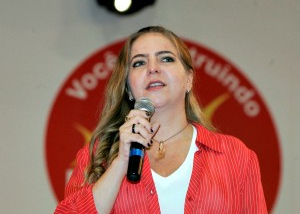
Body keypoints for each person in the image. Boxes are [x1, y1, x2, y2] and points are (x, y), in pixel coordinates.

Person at [55, 26, 268, 214]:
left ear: (189, 80)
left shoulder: (235, 156)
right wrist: (120, 161)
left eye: (166, 58)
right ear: (128, 88)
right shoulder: (98, 155)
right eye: (139, 63)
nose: (153, 68)